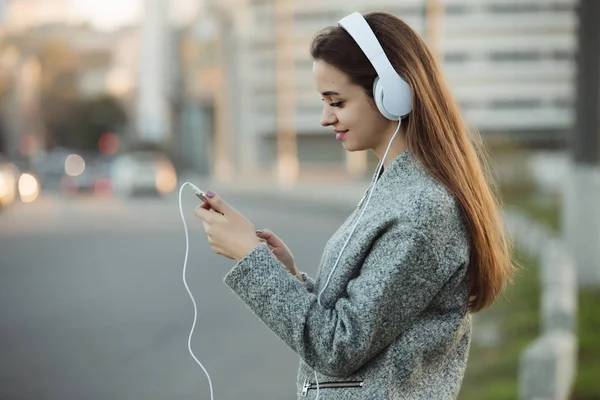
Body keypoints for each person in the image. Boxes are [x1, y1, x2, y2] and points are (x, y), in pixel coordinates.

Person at [194, 11, 514, 400]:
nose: (326, 118)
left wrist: (250, 259)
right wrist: (289, 276)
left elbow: (339, 346)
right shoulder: (394, 186)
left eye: (337, 101)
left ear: (392, 93)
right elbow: (363, 318)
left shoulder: (423, 210)